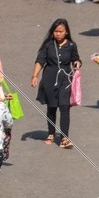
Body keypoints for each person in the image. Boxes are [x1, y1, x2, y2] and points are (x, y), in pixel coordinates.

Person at [31, 17, 81, 147]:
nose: (58, 33)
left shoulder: (71, 45)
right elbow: (40, 61)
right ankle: (51, 133)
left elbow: (76, 59)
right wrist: (35, 75)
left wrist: (77, 63)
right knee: (52, 107)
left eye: (60, 31)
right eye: (55, 31)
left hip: (65, 79)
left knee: (64, 107)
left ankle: (64, 138)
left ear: (66, 32)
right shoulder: (48, 45)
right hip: (49, 78)